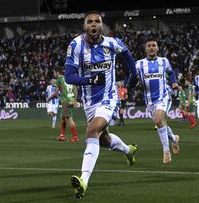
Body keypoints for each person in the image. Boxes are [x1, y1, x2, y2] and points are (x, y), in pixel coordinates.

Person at [63, 11, 139, 199]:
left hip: (109, 96)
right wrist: (90, 79)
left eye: (97, 22)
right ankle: (128, 150)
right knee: (102, 139)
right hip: (89, 102)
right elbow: (69, 76)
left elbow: (130, 62)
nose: (94, 24)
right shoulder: (76, 45)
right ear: (85, 26)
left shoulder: (112, 43)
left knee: (91, 131)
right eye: (90, 22)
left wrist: (129, 81)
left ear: (102, 26)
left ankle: (83, 181)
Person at [136, 38, 180, 164]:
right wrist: (127, 85)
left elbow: (171, 73)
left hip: (163, 96)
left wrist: (174, 83)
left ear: (157, 48)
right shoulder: (139, 64)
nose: (151, 47)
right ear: (145, 49)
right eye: (149, 45)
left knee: (158, 120)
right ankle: (174, 138)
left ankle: (166, 151)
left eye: (153, 45)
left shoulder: (164, 61)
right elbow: (133, 77)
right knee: (161, 123)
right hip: (149, 100)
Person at [47, 68, 79, 143]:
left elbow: (56, 92)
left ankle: (75, 137)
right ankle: (62, 135)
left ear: (57, 72)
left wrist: (49, 98)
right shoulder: (68, 79)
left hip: (65, 101)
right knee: (63, 117)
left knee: (69, 118)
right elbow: (75, 89)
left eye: (54, 72)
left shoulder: (59, 80)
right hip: (70, 99)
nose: (54, 74)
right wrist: (74, 99)